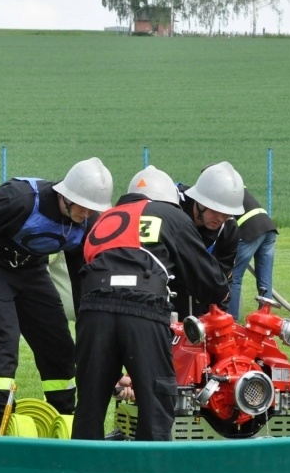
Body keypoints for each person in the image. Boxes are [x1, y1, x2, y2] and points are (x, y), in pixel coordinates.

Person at [72, 166, 230, 441]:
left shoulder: (102, 219)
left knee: (89, 403)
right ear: (168, 198)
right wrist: (221, 291)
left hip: (94, 307)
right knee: (157, 399)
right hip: (143, 308)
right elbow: (210, 280)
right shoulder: (171, 215)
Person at [0, 157, 113, 435]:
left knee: (58, 342)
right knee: (3, 338)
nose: (88, 214)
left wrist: (87, 318)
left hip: (31, 271)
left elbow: (82, 276)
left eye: (94, 209)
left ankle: (64, 416)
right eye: (85, 206)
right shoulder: (21, 199)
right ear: (67, 195)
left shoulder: (87, 222)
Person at [174, 161, 244, 317]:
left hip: (199, 308)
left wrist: (218, 317)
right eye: (214, 210)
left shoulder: (229, 230)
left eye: (226, 213)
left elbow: (222, 279)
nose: (219, 218)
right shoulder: (174, 209)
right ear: (200, 201)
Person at [227, 188, 278, 320]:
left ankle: (232, 320)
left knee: (234, 277)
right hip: (268, 227)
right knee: (265, 281)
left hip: (251, 230)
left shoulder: (220, 187)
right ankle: (265, 319)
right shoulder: (237, 185)